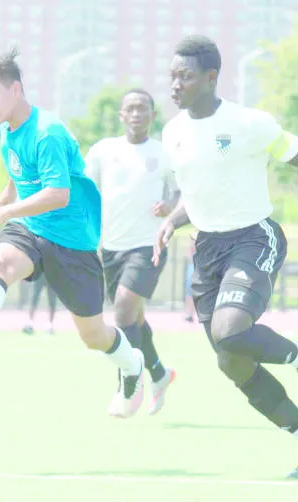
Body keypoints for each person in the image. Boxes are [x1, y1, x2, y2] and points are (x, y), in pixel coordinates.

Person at [154, 35, 298, 479]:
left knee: (230, 331)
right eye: (172, 76)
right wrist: (172, 221)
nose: (175, 84)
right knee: (231, 360)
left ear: (211, 77)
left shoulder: (249, 123)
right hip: (207, 249)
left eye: (185, 76)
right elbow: (196, 194)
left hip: (253, 238)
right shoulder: (172, 132)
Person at [0, 48, 146, 417]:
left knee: (94, 336)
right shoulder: (7, 129)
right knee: (2, 260)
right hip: (31, 226)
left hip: (73, 242)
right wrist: (8, 192)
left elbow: (59, 194)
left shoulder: (47, 132)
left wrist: (3, 211)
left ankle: (132, 364)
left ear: (16, 90)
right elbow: (19, 165)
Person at [84, 89, 179, 417]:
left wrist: (170, 205)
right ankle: (160, 374)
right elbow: (85, 190)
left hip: (149, 245)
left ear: (153, 115)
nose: (137, 114)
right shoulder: (103, 150)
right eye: (131, 109)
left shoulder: (164, 153)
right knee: (134, 319)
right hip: (111, 248)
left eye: (143, 109)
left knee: (123, 308)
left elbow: (182, 192)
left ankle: (128, 386)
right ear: (121, 115)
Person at [183, 237, 196, 323]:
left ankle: (191, 314)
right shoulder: (193, 240)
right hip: (193, 266)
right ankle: (189, 314)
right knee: (189, 292)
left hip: (200, 267)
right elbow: (188, 255)